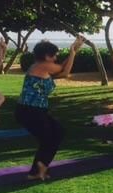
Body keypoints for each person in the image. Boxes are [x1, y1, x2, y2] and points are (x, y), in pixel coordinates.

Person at [15, 37, 85, 180]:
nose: (56, 57)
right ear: (47, 56)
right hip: (29, 111)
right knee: (49, 138)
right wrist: (72, 52)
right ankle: (38, 170)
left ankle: (38, 169)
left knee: (56, 133)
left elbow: (61, 69)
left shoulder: (41, 67)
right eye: (54, 55)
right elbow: (65, 73)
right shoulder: (42, 66)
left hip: (34, 110)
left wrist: (74, 51)